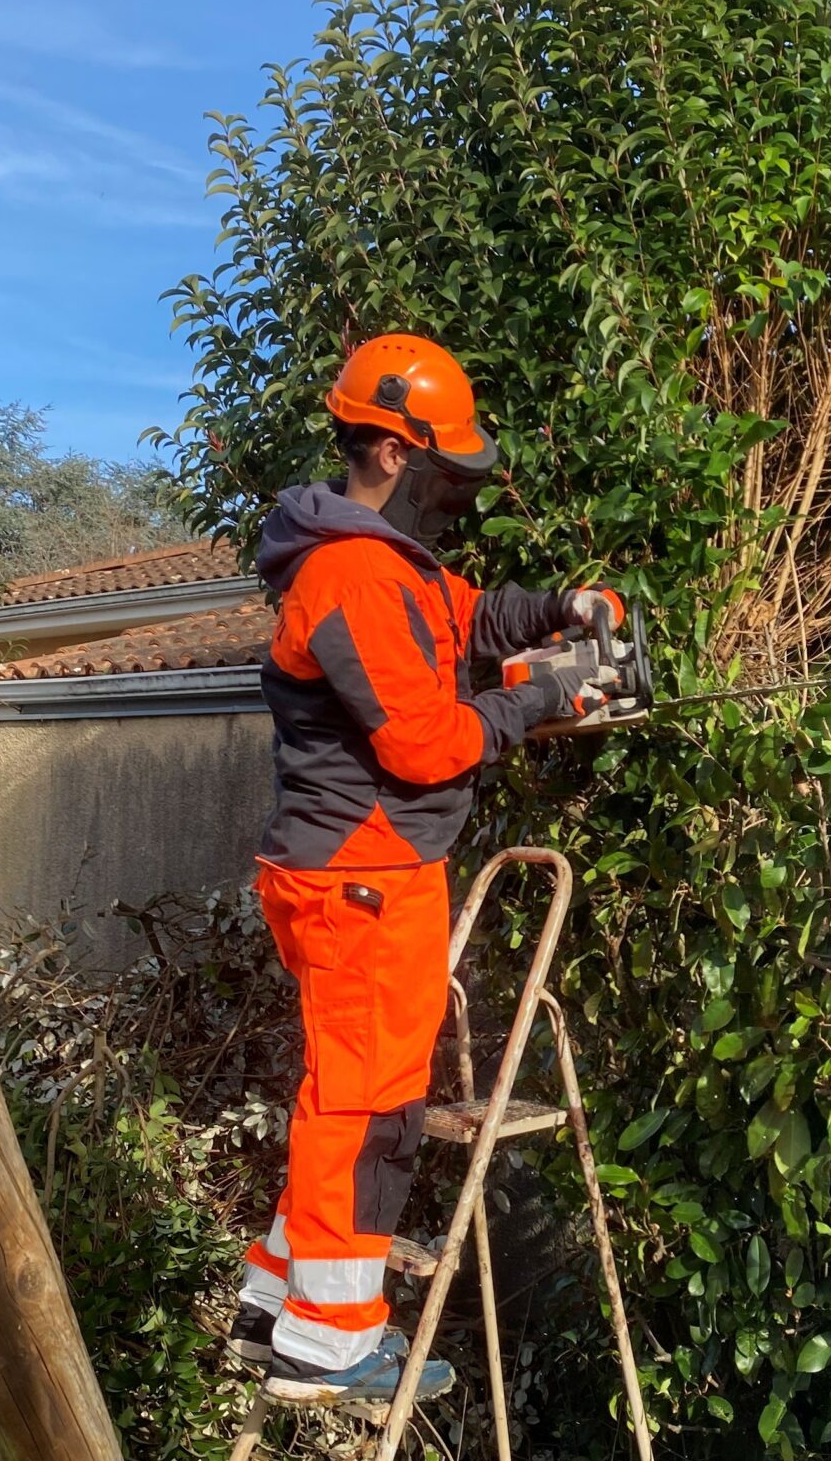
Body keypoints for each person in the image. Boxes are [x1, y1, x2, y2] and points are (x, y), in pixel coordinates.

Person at [227, 333, 619, 1405]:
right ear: (395, 451)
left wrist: (558, 612)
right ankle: (328, 1339)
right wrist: (540, 700)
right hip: (361, 878)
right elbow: (424, 741)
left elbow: (470, 617)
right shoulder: (351, 569)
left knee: (340, 1095)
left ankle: (278, 1298)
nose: (458, 495)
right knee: (372, 1111)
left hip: (364, 870)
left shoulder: (386, 563)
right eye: (448, 471)